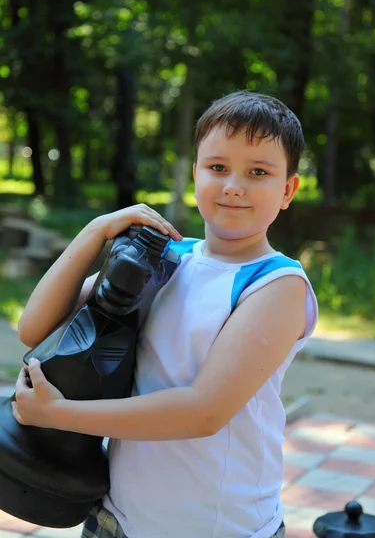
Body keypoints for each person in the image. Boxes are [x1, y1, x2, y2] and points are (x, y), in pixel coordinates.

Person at [14, 90, 318, 538]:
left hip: (216, 528)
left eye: (258, 172)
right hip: (114, 519)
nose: (234, 184)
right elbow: (33, 327)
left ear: (287, 189)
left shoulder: (278, 285)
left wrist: (58, 413)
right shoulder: (166, 260)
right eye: (217, 167)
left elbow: (202, 412)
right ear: (195, 173)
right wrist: (96, 231)